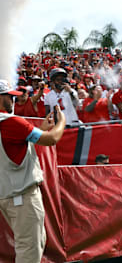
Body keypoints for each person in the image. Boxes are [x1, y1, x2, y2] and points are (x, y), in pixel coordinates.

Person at [0, 79, 66, 262]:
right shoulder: (10, 122)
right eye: (8, 97)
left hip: (8, 194)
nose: (12, 101)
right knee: (29, 249)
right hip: (21, 195)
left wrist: (40, 130)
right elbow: (52, 138)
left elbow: (13, 150)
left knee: (33, 244)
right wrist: (62, 122)